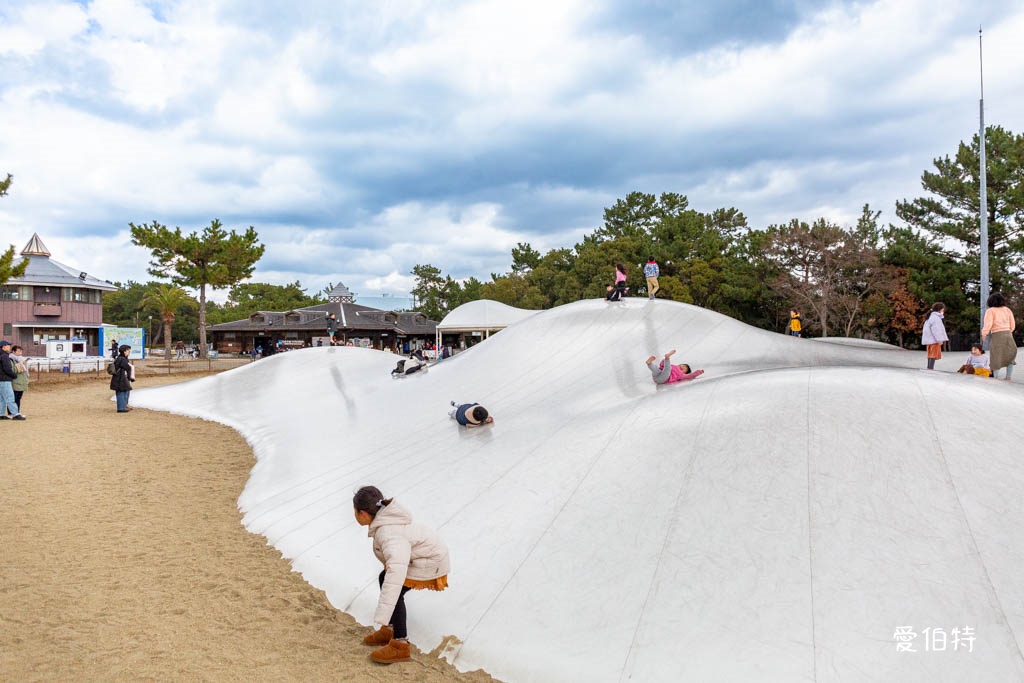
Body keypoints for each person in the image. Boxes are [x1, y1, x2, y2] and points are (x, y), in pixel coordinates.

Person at [353, 485, 449, 665]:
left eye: (355, 512)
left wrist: (382, 613)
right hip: (426, 557)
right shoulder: (385, 522)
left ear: (363, 514)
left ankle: (400, 644)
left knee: (394, 588)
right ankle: (389, 630)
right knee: (386, 578)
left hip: (431, 562)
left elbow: (396, 571)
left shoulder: (387, 533)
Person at [982, 292, 1017, 380]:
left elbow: (988, 324)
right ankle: (1008, 377)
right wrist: (1009, 331)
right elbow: (1012, 324)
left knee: (996, 356)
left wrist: (984, 334)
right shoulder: (1007, 310)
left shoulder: (990, 311)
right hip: (1008, 334)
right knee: (1010, 356)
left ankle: (996, 378)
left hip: (997, 335)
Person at [0, 340, 25, 420]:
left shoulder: (1, 355)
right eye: (8, 345)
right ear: (4, 347)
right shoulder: (4, 356)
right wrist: (14, 376)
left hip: (1, 379)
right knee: (10, 397)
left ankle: (1, 414)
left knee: (2, 398)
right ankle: (15, 414)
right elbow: (7, 369)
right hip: (5, 379)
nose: (10, 347)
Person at [921, 302, 949, 370]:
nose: (943, 311)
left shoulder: (930, 317)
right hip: (934, 339)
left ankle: (929, 367)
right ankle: (930, 368)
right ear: (940, 309)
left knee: (930, 354)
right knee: (933, 354)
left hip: (929, 339)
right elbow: (937, 330)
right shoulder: (936, 318)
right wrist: (939, 340)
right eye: (943, 309)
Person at [110, 344, 134, 413]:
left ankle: (123, 406)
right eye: (128, 350)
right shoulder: (122, 359)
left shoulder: (120, 358)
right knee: (122, 392)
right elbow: (128, 368)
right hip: (120, 379)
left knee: (124, 391)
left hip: (119, 378)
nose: (129, 352)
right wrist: (130, 377)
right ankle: (121, 408)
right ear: (124, 351)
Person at [9, 345, 29, 413]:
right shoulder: (11, 359)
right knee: (13, 399)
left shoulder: (21, 359)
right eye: (18, 351)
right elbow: (13, 370)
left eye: (21, 351)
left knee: (18, 398)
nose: (20, 353)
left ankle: (17, 412)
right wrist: (21, 364)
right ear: (13, 351)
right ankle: (12, 413)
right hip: (15, 382)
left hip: (22, 381)